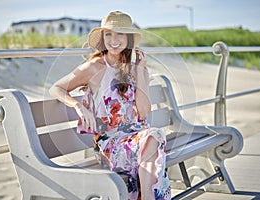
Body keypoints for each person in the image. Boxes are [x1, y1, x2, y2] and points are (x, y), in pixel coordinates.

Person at [49, 11, 171, 200]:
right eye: (108, 34)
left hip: (138, 138)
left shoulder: (137, 68)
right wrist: (78, 107)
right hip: (110, 143)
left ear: (128, 39)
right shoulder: (95, 66)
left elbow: (144, 113)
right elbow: (56, 88)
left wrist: (139, 71)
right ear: (102, 38)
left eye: (119, 34)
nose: (114, 40)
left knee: (153, 136)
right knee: (154, 137)